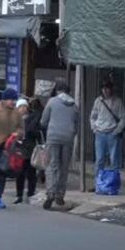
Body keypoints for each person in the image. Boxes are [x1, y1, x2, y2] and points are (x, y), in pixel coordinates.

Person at [40, 80, 80, 209]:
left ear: (58, 91)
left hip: (53, 137)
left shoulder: (52, 102)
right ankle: (60, 195)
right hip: (68, 139)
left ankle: (50, 193)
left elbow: (43, 121)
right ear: (68, 92)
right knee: (64, 167)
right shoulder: (74, 106)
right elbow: (77, 125)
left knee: (52, 166)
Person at [90, 80, 125, 189]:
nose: (105, 90)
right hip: (100, 133)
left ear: (111, 89)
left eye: (107, 88)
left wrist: (116, 131)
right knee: (99, 159)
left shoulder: (117, 101)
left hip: (112, 133)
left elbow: (123, 118)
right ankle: (98, 184)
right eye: (103, 88)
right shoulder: (98, 101)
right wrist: (94, 128)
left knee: (114, 160)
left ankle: (114, 184)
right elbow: (92, 116)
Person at [15, 99, 43, 204]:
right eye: (20, 107)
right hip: (18, 149)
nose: (23, 109)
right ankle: (19, 194)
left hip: (30, 148)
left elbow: (37, 132)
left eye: (24, 106)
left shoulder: (33, 118)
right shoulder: (14, 119)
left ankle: (31, 193)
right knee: (19, 173)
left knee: (31, 172)